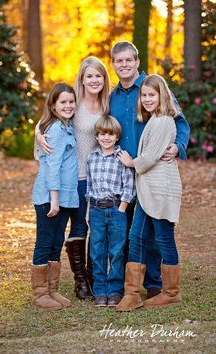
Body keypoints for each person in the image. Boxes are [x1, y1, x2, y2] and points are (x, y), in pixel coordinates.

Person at [109, 41, 190, 299]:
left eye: (128, 60)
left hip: (151, 169)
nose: (123, 65)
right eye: (118, 61)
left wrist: (177, 146)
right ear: (113, 64)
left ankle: (155, 283)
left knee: (155, 228)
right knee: (132, 228)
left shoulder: (152, 87)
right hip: (123, 172)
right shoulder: (112, 96)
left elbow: (179, 121)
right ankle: (127, 284)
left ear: (137, 61)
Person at [36, 57, 110, 300]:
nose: (94, 80)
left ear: (104, 78)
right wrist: (38, 134)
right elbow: (49, 119)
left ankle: (92, 276)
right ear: (82, 78)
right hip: (75, 178)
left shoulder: (109, 104)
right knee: (77, 227)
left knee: (95, 228)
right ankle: (80, 282)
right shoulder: (74, 103)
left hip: (100, 177)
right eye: (89, 76)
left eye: (98, 75)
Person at [116, 74, 182, 312]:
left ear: (161, 95)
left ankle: (171, 292)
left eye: (151, 94)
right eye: (143, 95)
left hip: (161, 189)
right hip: (147, 190)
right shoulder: (153, 119)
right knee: (137, 237)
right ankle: (132, 293)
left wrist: (130, 162)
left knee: (164, 238)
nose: (146, 99)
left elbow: (151, 157)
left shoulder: (165, 120)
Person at [31, 83, 77, 310]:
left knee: (56, 242)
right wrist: (55, 199)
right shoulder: (56, 130)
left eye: (71, 101)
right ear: (53, 105)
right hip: (50, 197)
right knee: (45, 242)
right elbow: (52, 165)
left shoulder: (67, 126)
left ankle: (53, 290)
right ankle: (40, 294)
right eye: (63, 102)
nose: (68, 106)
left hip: (66, 196)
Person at [86, 115, 136, 307]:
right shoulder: (92, 158)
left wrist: (122, 208)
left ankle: (115, 291)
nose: (106, 138)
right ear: (97, 137)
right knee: (97, 251)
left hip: (117, 209)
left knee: (116, 252)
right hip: (97, 210)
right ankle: (100, 291)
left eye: (110, 134)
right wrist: (90, 209)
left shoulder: (122, 157)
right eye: (102, 134)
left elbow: (129, 185)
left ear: (117, 137)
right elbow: (89, 186)